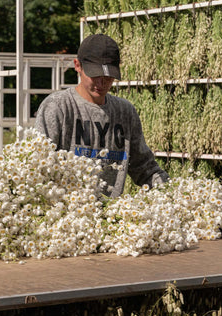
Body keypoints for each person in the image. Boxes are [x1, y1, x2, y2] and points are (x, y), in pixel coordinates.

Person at [35, 33, 169, 197]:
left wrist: (171, 192)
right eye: (95, 74)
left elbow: (144, 167)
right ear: (78, 66)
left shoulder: (125, 112)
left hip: (110, 216)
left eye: (108, 76)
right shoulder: (58, 107)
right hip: (65, 213)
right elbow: (38, 166)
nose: (102, 83)